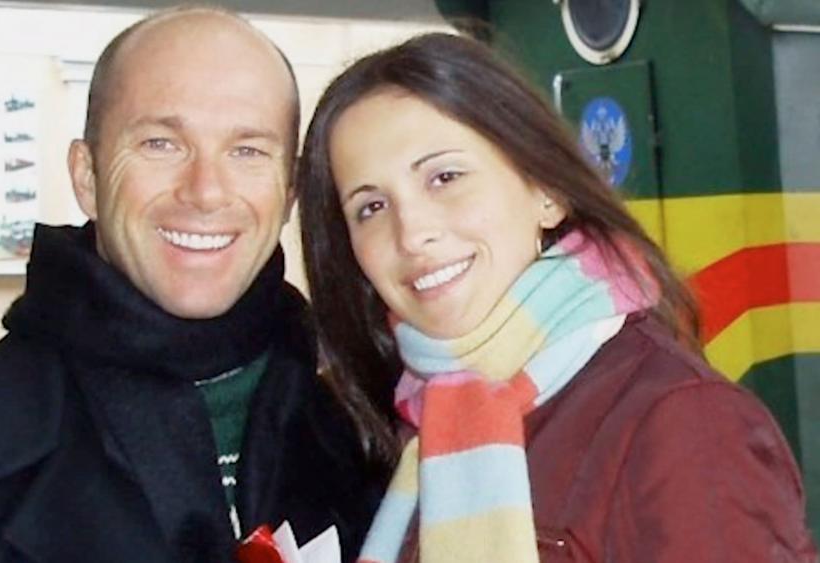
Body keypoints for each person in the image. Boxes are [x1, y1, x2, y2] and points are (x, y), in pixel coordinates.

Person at [0, 8, 385, 562]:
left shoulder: (377, 445)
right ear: (86, 177)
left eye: (247, 151)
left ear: (288, 193)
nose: (206, 191)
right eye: (161, 143)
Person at [297, 32, 818, 562]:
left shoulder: (681, 421)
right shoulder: (415, 422)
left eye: (445, 177)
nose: (411, 234)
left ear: (546, 191)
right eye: (371, 207)